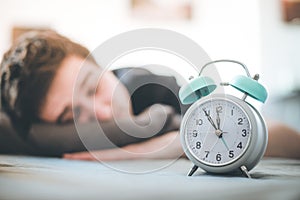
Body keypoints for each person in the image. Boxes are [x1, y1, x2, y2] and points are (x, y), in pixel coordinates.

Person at [0, 30, 299, 161]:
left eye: (94, 88)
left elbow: (281, 136)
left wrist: (177, 145)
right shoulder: (32, 131)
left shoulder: (158, 87)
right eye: (72, 116)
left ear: (101, 65)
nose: (104, 113)